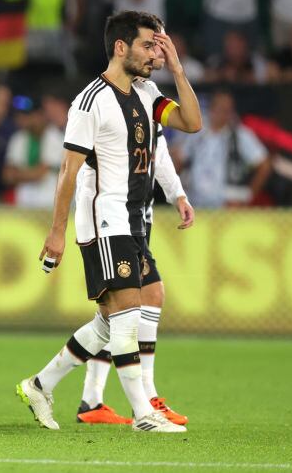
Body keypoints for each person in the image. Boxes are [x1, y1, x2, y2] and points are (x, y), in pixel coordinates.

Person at [16, 10, 202, 433]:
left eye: (159, 47)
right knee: (128, 313)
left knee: (126, 309)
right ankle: (143, 414)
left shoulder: (150, 93)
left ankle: (40, 384)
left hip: (135, 220)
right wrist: (57, 231)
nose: (155, 54)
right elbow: (68, 170)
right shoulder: (90, 101)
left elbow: (193, 122)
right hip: (104, 219)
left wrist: (177, 67)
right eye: (148, 46)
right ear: (121, 47)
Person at [78, 132, 193, 427]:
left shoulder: (147, 102)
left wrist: (177, 194)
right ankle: (146, 398)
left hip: (135, 218)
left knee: (112, 312)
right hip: (116, 220)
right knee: (148, 296)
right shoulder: (112, 103)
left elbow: (160, 154)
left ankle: (87, 398)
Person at [174, 90, 271, 209]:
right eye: (219, 108)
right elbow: (179, 160)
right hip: (195, 204)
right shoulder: (196, 132)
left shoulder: (240, 136)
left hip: (226, 207)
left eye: (227, 110)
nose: (223, 114)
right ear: (211, 109)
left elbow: (264, 165)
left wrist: (246, 198)